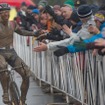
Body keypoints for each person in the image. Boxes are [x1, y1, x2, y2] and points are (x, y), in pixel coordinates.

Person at [0, 3, 38, 105]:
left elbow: (22, 32)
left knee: (26, 73)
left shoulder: (12, 24)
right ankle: (5, 93)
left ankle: (23, 100)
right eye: (2, 12)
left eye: (7, 12)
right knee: (3, 67)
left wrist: (34, 33)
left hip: (12, 52)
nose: (5, 14)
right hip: (0, 53)